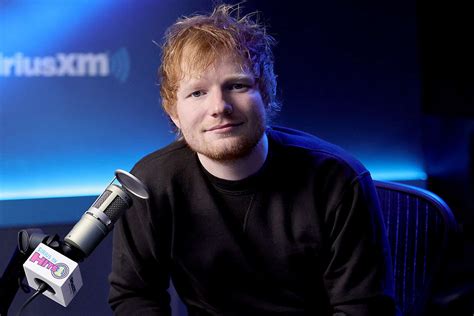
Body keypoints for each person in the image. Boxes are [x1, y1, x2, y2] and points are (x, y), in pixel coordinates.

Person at [108, 4, 396, 315]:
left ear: (266, 94)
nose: (219, 107)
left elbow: (362, 308)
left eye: (237, 85)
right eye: (197, 93)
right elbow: (135, 295)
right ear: (173, 112)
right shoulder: (150, 183)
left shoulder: (337, 178)